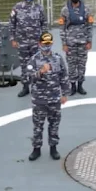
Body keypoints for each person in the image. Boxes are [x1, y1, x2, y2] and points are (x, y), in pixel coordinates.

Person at [26, 32, 69, 161]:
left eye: (49, 44)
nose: (47, 46)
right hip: (39, 99)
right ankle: (36, 149)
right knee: (38, 126)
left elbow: (64, 76)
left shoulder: (58, 58)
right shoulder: (33, 60)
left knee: (54, 124)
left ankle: (53, 148)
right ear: (39, 44)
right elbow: (28, 78)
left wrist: (65, 93)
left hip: (54, 98)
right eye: (44, 44)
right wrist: (40, 72)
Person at [10, 0, 48, 98]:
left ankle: (38, 87)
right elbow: (12, 24)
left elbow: (44, 24)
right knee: (24, 65)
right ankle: (25, 87)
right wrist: (13, 39)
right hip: (22, 42)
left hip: (36, 42)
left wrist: (44, 40)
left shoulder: (39, 8)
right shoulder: (16, 8)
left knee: (38, 64)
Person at [59, 0, 94, 96]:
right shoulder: (64, 10)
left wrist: (89, 41)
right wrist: (64, 43)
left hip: (83, 42)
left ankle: (80, 85)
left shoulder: (87, 9)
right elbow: (62, 28)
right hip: (70, 42)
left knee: (82, 64)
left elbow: (90, 26)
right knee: (71, 64)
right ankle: (72, 86)